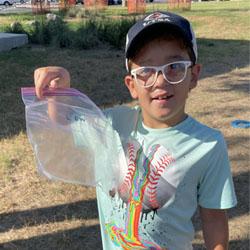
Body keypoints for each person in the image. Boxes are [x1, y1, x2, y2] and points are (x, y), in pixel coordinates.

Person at [34, 11, 237, 250]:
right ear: (132, 85)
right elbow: (61, 123)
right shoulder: (112, 125)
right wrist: (61, 88)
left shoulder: (208, 144)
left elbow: (213, 217)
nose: (160, 80)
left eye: (174, 66)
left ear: (193, 75)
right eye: (146, 71)